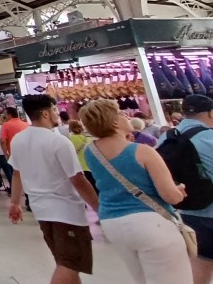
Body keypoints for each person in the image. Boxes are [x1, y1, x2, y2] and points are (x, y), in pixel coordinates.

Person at [81, 99, 192, 284]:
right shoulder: (143, 151)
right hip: (150, 223)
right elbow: (170, 196)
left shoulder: (91, 151)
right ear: (114, 122)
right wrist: (179, 190)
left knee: (142, 278)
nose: (126, 116)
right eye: (121, 114)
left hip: (113, 223)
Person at [8, 94, 99, 284]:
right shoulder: (59, 142)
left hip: (41, 211)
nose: (58, 114)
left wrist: (15, 203)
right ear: (46, 113)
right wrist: (99, 208)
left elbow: (17, 173)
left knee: (65, 263)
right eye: (55, 110)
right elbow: (77, 178)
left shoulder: (18, 140)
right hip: (66, 212)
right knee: (69, 265)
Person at [159, 94, 213, 284]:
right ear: (210, 113)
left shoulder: (165, 138)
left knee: (200, 263)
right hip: (210, 210)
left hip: (185, 210)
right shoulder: (209, 136)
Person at [66, 120, 97, 196]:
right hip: (89, 168)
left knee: (82, 192)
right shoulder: (88, 139)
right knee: (95, 191)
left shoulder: (68, 140)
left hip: (77, 170)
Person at [0, 106, 29, 185]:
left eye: (5, 114)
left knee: (16, 174)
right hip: (27, 153)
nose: (4, 116)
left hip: (14, 154)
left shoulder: (6, 125)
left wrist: (6, 154)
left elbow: (3, 141)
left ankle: (18, 191)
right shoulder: (26, 124)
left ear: (10, 115)